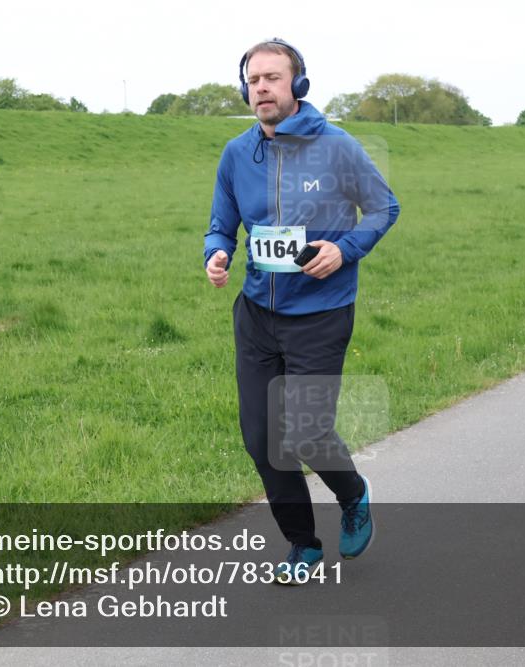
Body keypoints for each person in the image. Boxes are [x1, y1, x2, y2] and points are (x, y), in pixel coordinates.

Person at [204, 38, 400, 582]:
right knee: (263, 440)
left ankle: (353, 494)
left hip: (321, 311)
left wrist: (345, 249)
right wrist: (216, 253)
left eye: (272, 77)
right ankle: (303, 545)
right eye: (253, 79)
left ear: (298, 84)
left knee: (308, 433)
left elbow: (384, 207)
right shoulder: (236, 153)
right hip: (257, 315)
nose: (261, 87)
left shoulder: (337, 147)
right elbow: (222, 223)